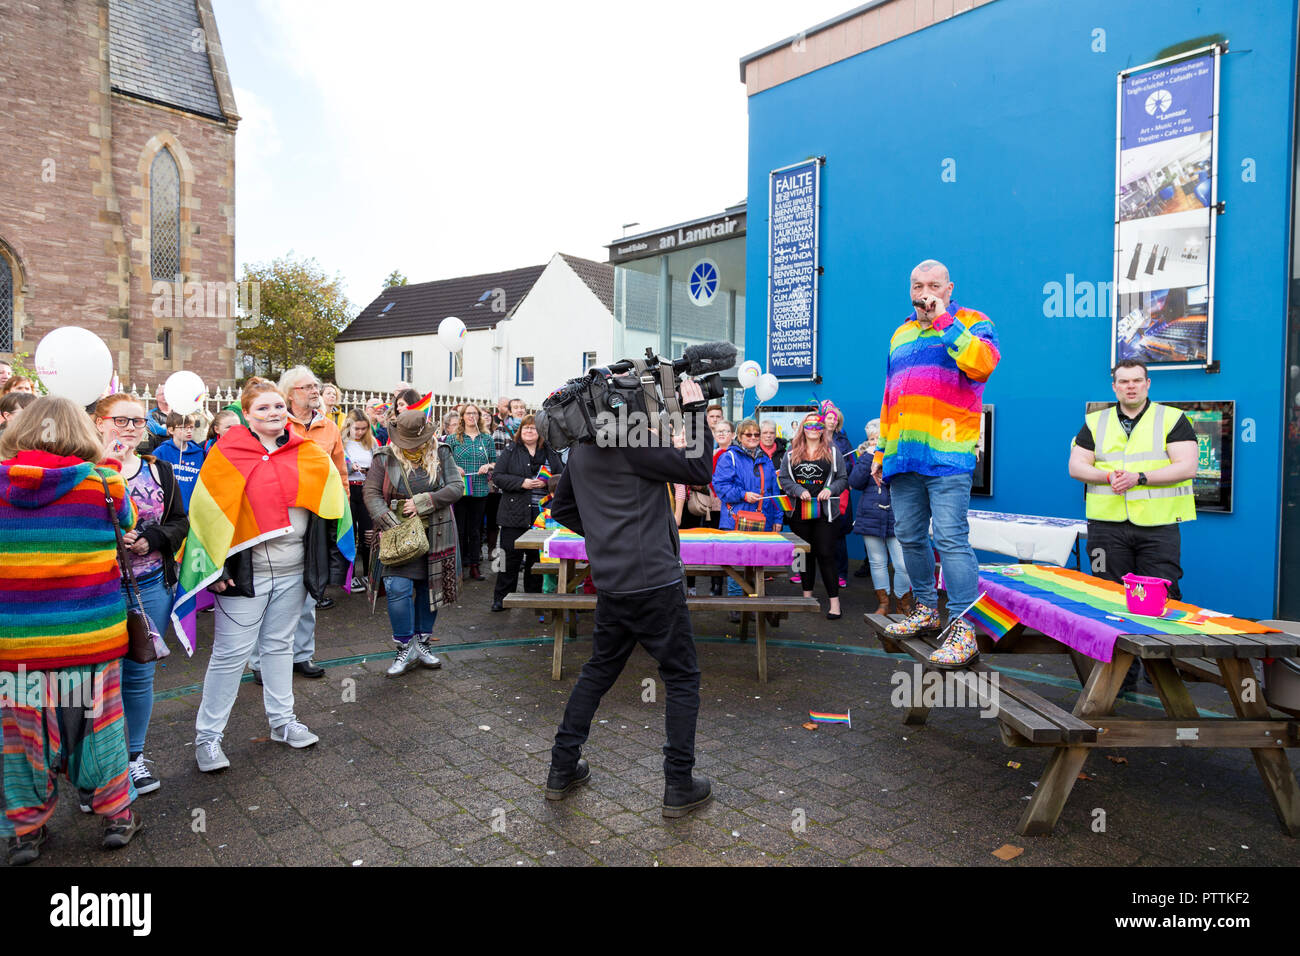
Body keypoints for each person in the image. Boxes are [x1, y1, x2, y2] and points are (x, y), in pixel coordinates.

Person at [545, 379, 715, 818]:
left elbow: (562, 510)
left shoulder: (580, 453)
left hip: (613, 583)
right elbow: (697, 470)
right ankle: (679, 784)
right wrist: (695, 410)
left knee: (598, 671)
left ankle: (561, 769)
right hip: (655, 582)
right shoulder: (632, 444)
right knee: (681, 676)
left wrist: (604, 538)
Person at [1, 396, 144, 863]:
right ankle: (117, 816)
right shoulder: (105, 484)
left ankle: (26, 830)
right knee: (98, 727)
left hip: (14, 643)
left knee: (21, 736)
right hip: (90, 637)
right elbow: (127, 526)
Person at [191, 380, 354, 770]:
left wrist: (330, 561)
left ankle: (283, 722)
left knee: (280, 647)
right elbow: (208, 514)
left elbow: (332, 506)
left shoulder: (307, 452)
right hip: (244, 575)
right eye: (263, 408)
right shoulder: (226, 453)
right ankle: (207, 738)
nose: (273, 413)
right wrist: (217, 567)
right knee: (230, 656)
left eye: (279, 407)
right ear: (246, 415)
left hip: (293, 571)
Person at [874, 259, 1000, 668]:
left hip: (947, 458)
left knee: (949, 539)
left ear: (949, 288)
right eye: (917, 285)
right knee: (910, 537)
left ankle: (965, 628)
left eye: (932, 285)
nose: (923, 292)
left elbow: (982, 364)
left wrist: (944, 321)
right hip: (904, 458)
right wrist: (881, 452)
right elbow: (890, 398)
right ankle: (926, 609)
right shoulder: (900, 332)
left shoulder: (973, 322)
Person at [1068, 359, 1197, 689]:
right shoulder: (1095, 422)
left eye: (1137, 381)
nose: (1131, 386)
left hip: (1159, 524)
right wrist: (1109, 475)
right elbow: (1076, 466)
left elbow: (1187, 466)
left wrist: (1140, 478)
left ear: (1148, 383)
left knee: (1164, 596)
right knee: (1107, 596)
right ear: (1114, 386)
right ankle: (1119, 679)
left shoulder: (1172, 418)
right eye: (1124, 381)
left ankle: (1164, 672)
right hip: (1107, 525)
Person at [92, 393, 189, 797]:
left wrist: (150, 539)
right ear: (99, 423)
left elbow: (180, 523)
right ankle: (98, 771)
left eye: (137, 421)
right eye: (121, 420)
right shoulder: (85, 471)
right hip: (96, 590)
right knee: (97, 681)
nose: (130, 428)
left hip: (150, 587)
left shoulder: (160, 470)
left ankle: (133, 759)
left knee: (139, 674)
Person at [257, 366, 346, 681]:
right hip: (274, 517)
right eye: (307, 386)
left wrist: (341, 510)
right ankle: (260, 661)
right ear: (290, 393)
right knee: (266, 593)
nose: (314, 391)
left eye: (316, 385)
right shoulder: (275, 424)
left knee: (309, 588)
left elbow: (340, 473)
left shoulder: (329, 428)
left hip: (315, 519)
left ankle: (302, 655)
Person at [364, 410, 463, 676]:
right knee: (397, 588)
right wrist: (388, 522)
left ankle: (422, 644)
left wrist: (422, 502)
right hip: (396, 537)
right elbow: (371, 492)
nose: (410, 446)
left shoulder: (442, 452)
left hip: (436, 535)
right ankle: (404, 646)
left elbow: (456, 487)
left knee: (429, 590)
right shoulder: (384, 457)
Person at [777, 411, 850, 619]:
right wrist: (798, 491)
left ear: (822, 430)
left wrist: (832, 489)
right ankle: (807, 598)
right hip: (799, 512)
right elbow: (784, 479)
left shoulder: (832, 451)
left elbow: (843, 479)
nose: (813, 430)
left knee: (826, 554)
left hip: (825, 513)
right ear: (803, 428)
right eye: (809, 426)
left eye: (818, 426)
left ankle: (834, 603)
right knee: (804, 554)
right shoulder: (791, 452)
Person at [712, 418, 784, 624]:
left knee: (755, 564)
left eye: (756, 434)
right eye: (748, 435)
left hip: (763, 520)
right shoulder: (730, 457)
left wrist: (778, 518)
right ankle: (736, 606)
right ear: (739, 437)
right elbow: (721, 487)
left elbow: (773, 492)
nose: (753, 438)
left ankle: (752, 605)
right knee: (735, 564)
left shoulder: (766, 460)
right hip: (736, 519)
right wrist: (744, 494)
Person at [490, 414, 562, 612]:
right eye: (525, 428)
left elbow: (561, 476)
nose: (529, 431)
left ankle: (534, 598)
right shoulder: (511, 450)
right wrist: (522, 483)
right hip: (513, 513)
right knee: (508, 557)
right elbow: (498, 477)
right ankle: (502, 598)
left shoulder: (549, 452)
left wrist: (548, 483)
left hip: (542, 514)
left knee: (536, 557)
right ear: (520, 431)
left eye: (533, 428)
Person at [849, 419, 912, 614]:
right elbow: (855, 482)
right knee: (877, 562)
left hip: (896, 514)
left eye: (879, 438)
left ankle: (903, 604)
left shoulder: (900, 455)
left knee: (902, 564)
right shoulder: (865, 457)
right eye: (871, 439)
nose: (875, 442)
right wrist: (869, 457)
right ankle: (883, 603)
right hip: (871, 514)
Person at [445, 401, 495, 580]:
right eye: (468, 413)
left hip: (480, 488)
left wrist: (488, 465)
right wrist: (454, 467)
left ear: (479, 417)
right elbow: (444, 460)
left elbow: (495, 462)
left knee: (475, 530)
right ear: (462, 417)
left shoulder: (486, 439)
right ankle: (458, 566)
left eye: (475, 413)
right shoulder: (453, 438)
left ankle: (474, 565)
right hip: (459, 488)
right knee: (459, 529)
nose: (472, 416)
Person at [820, 401, 857, 589]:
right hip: (818, 492)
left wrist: (839, 470)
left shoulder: (843, 441)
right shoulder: (815, 437)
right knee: (815, 533)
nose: (832, 421)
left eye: (835, 419)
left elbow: (853, 463)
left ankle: (841, 573)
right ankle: (809, 574)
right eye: (829, 417)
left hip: (839, 492)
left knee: (839, 535)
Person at [487, 398, 527, 555]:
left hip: (526, 484)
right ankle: (509, 554)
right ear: (509, 411)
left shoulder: (529, 429)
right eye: (516, 407)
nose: (520, 410)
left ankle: (524, 552)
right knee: (509, 525)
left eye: (522, 407)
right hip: (509, 484)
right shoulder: (501, 431)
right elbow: (498, 461)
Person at [343, 409, 377, 585]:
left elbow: (379, 466)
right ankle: (349, 577)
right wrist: (350, 468)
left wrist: (369, 470)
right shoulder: (342, 443)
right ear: (349, 426)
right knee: (350, 534)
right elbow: (336, 465)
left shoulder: (372, 443)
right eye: (357, 428)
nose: (360, 432)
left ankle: (367, 574)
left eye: (364, 428)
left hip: (366, 490)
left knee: (368, 533)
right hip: (349, 490)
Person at [152, 411, 206, 510]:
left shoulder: (199, 453)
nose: (189, 431)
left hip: (192, 509)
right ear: (171, 430)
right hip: (168, 510)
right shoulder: (160, 452)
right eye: (183, 428)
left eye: (191, 427)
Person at [144, 383, 170, 451]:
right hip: (159, 451)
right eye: (162, 394)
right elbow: (156, 430)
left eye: (167, 393)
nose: (165, 396)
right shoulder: (150, 414)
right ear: (156, 397)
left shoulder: (179, 413)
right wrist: (175, 429)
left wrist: (166, 427)